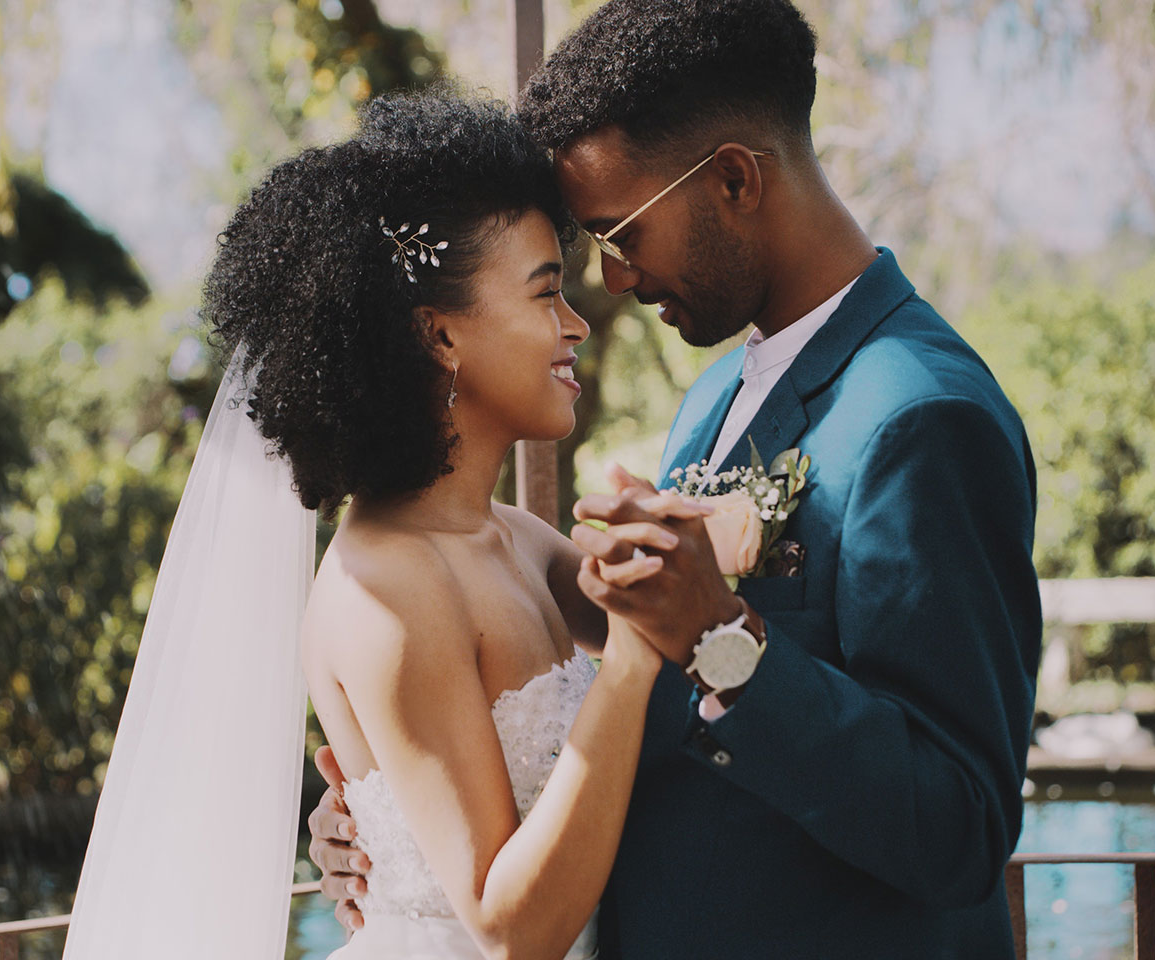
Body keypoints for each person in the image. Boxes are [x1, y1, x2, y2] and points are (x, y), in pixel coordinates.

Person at [308, 2, 1045, 957]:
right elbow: (638, 718)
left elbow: (961, 831)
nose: (610, 283)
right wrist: (391, 819)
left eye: (621, 234)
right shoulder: (710, 402)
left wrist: (721, 637)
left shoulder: (921, 418)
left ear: (734, 178)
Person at [64, 89, 719, 960]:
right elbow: (510, 927)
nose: (574, 329)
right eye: (545, 294)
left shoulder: (518, 540)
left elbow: (691, 638)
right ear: (440, 337)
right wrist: (626, 666)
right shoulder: (383, 589)